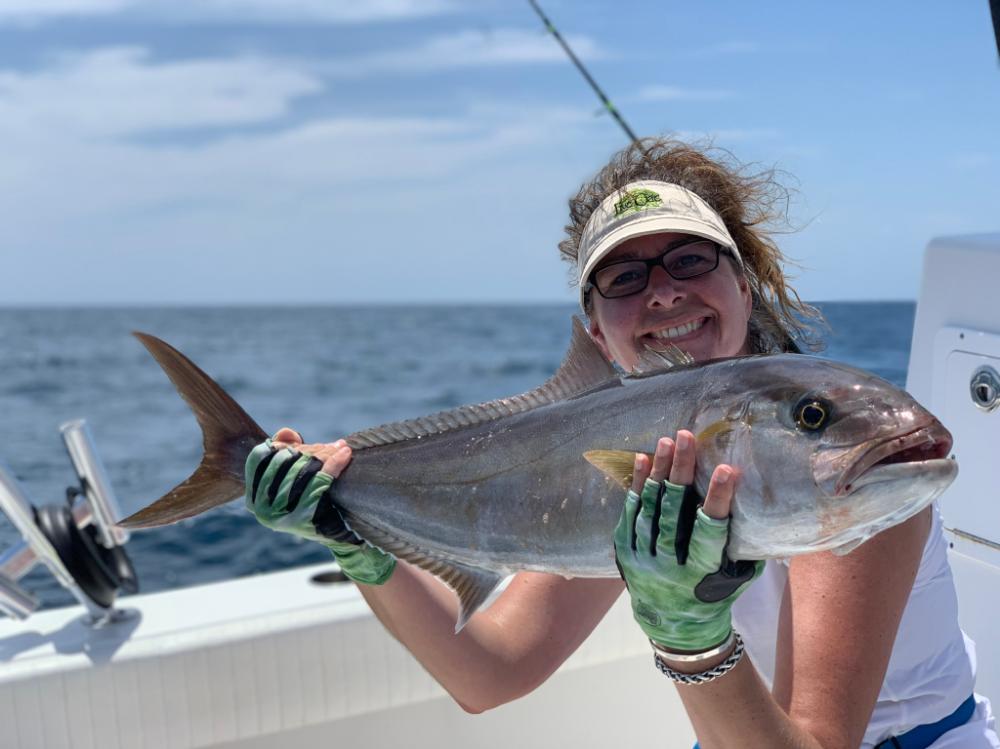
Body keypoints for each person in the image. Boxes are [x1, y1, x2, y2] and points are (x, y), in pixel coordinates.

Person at [244, 138, 999, 748]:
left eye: (690, 259)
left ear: (746, 284)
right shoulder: (645, 468)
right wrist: (355, 543)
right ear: (598, 333)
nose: (664, 290)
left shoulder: (857, 478)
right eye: (625, 276)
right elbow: (486, 675)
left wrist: (691, 635)